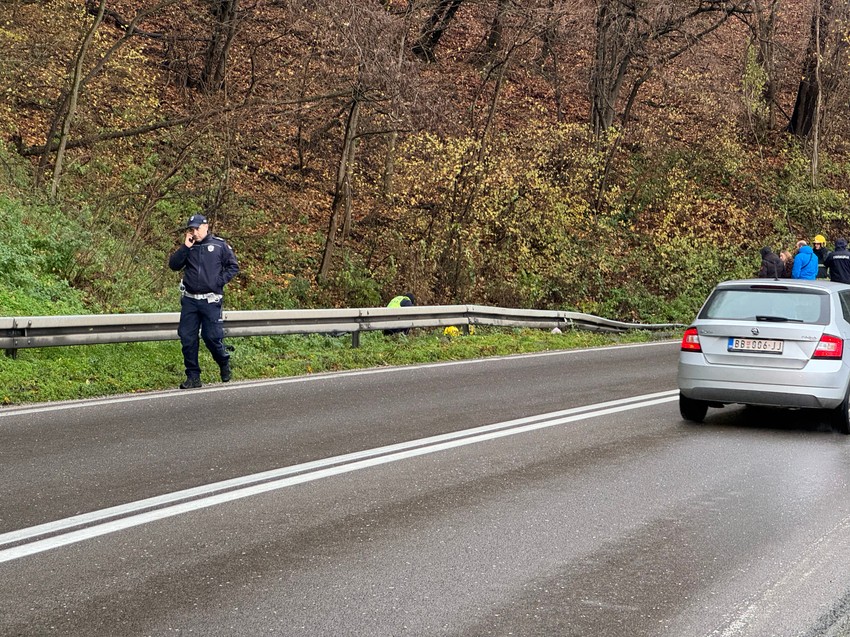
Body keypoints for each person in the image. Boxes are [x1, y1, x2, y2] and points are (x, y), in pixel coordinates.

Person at [168, 214, 239, 389]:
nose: (194, 232)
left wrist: (218, 282)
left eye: (196, 228)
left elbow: (233, 266)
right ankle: (193, 377)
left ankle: (223, 360)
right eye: (191, 229)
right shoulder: (189, 247)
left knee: (211, 337)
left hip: (210, 300)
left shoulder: (219, 245)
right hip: (190, 301)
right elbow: (174, 265)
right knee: (187, 338)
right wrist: (185, 247)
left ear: (205, 227)